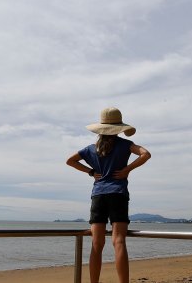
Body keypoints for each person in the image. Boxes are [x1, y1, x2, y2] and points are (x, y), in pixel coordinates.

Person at [66, 107, 151, 283]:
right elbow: (145, 154)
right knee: (118, 241)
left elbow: (70, 161)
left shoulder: (90, 149)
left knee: (96, 245)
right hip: (118, 193)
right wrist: (127, 170)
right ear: (119, 127)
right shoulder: (125, 145)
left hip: (98, 195)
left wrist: (90, 172)